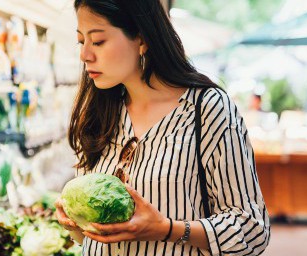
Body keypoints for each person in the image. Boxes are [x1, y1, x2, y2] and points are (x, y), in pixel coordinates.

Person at [55, 0, 270, 255]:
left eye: (98, 41)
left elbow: (252, 229)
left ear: (142, 39)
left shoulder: (207, 109)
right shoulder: (99, 112)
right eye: (81, 41)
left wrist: (166, 228)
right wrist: (74, 223)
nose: (85, 55)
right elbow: (90, 238)